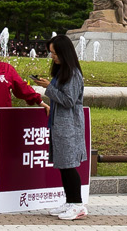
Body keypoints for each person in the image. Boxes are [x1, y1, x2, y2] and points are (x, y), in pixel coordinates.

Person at [38, 33, 89, 220]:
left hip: (69, 127)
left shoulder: (73, 73)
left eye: (55, 53)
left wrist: (49, 88)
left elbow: (69, 101)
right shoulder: (62, 71)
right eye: (51, 53)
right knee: (62, 164)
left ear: (64, 52)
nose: (53, 56)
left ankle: (78, 204)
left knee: (68, 165)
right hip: (60, 125)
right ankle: (70, 201)